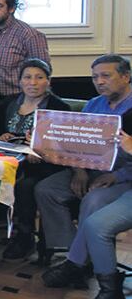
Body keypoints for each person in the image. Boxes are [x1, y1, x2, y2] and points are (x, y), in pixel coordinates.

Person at [35, 55, 132, 268]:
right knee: (46, 190)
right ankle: (72, 250)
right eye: (95, 77)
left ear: (126, 77)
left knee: (93, 199)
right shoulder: (93, 104)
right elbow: (77, 144)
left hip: (123, 176)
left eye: (106, 76)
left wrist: (116, 176)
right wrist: (78, 171)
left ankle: (76, 262)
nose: (99, 82)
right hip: (89, 169)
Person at [40, 115, 132, 299]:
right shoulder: (125, 114)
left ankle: (83, 270)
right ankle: (109, 292)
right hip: (107, 177)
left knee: (96, 213)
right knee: (95, 223)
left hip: (123, 181)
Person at [0, 59, 71, 259]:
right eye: (27, 77)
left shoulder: (59, 107)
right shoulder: (9, 103)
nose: (33, 82)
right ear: (20, 81)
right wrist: (1, 136)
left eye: (39, 77)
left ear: (48, 81)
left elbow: (65, 145)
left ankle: (25, 236)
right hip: (9, 161)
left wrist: (40, 149)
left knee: (25, 186)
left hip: (45, 166)